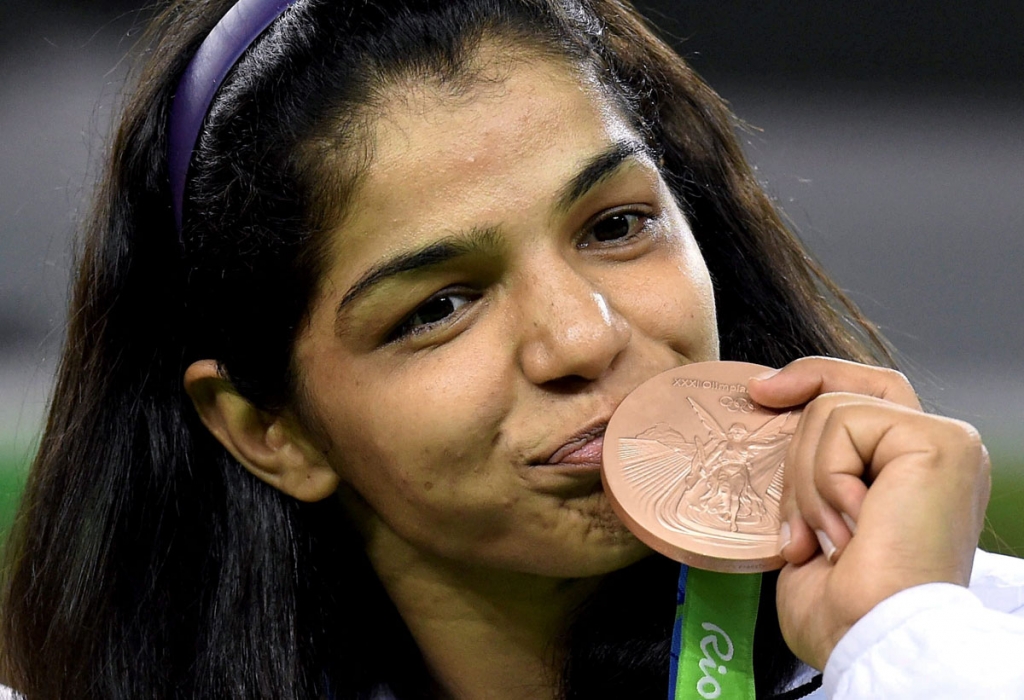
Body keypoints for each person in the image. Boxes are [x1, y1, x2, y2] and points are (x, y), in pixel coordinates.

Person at [1, 0, 1021, 698]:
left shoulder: (954, 644)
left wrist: (900, 637)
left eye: (617, 226)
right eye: (438, 305)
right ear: (267, 428)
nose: (584, 335)